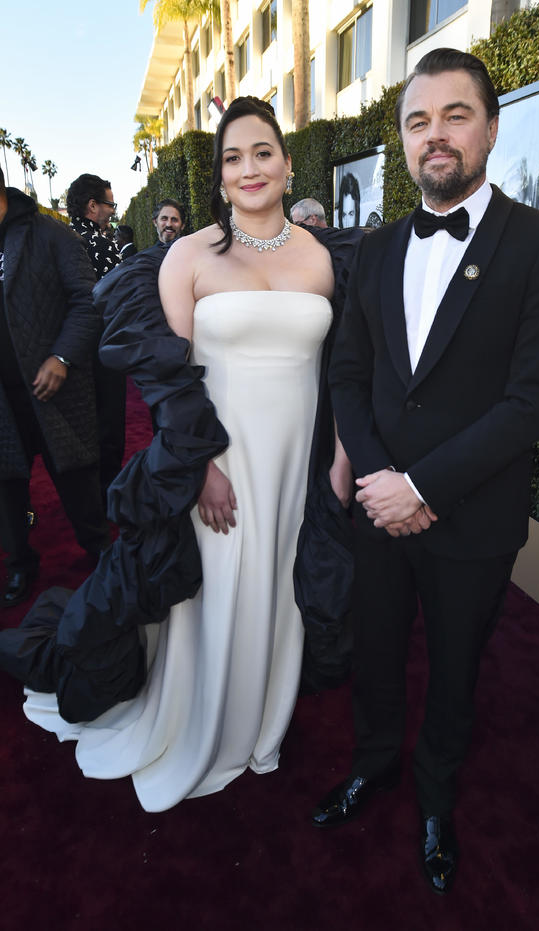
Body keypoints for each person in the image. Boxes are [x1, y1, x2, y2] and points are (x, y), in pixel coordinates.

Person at [15, 96, 349, 812]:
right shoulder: (189, 256)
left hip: (296, 462)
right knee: (223, 588)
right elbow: (171, 382)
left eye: (263, 152)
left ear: (288, 165)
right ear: (221, 179)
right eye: (233, 158)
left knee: (280, 585)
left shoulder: (325, 257)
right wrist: (199, 467)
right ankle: (206, 726)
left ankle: (265, 720)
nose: (249, 168)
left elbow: (348, 369)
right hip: (219, 462)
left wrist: (339, 464)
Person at [312, 48, 539, 895]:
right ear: (402, 139)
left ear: (491, 129)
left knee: (457, 668)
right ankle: (376, 764)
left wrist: (420, 488)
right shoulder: (378, 246)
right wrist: (383, 480)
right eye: (418, 120)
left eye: (455, 115)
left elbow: (533, 399)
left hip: (472, 516)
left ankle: (436, 797)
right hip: (378, 506)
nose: (436, 136)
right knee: (377, 652)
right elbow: (350, 376)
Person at [0, 167, 109, 608]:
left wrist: (62, 357)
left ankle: (102, 554)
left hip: (54, 388)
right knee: (7, 488)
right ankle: (20, 564)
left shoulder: (51, 234)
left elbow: (90, 300)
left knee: (77, 481)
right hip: (3, 400)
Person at [67, 173, 125, 498]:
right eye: (110, 204)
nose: (112, 212)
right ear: (93, 206)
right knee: (109, 426)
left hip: (69, 349)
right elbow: (119, 300)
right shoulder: (101, 245)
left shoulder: (59, 239)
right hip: (103, 347)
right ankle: (108, 494)